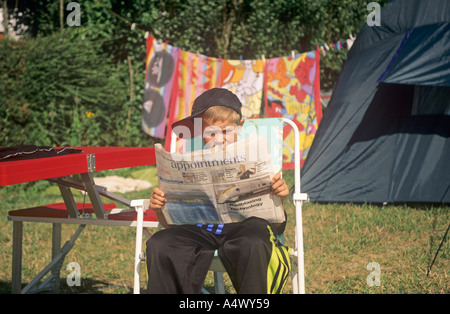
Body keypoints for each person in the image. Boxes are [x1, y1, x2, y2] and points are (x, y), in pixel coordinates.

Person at [146, 88, 290, 294]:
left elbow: (276, 226)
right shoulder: (191, 162)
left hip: (245, 229)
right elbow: (170, 226)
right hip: (200, 231)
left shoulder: (254, 158)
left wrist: (279, 196)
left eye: (226, 131)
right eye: (210, 133)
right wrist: (160, 208)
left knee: (255, 241)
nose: (219, 139)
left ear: (239, 128)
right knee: (160, 243)